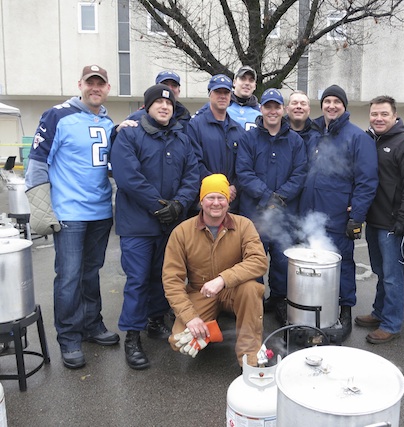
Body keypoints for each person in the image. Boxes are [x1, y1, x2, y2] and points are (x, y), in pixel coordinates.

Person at [24, 65, 120, 369]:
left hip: (100, 211)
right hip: (69, 212)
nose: (95, 88)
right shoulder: (57, 115)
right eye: (90, 83)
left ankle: (92, 325)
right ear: (80, 84)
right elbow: (37, 163)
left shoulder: (108, 122)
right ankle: (68, 337)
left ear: (107, 88)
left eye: (100, 84)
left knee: (91, 273)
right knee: (68, 276)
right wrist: (41, 209)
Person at [111, 84, 200, 370]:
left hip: (170, 222)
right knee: (137, 279)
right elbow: (128, 177)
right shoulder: (129, 135)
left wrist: (179, 204)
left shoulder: (181, 139)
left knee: (164, 276)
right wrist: (158, 205)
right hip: (138, 223)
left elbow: (192, 175)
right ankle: (132, 336)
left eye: (170, 104)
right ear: (147, 107)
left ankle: (155, 320)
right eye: (159, 103)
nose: (165, 107)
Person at [162, 174, 268, 367]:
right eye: (211, 197)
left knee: (251, 289)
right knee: (179, 340)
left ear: (228, 201)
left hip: (233, 289)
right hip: (200, 292)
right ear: (201, 201)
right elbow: (172, 280)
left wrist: (223, 279)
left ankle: (250, 360)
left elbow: (259, 261)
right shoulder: (182, 232)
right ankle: (210, 325)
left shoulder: (244, 225)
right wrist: (191, 317)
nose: (216, 203)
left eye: (221, 197)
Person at [299, 84, 378, 340]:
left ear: (344, 106)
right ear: (321, 105)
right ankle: (316, 306)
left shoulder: (358, 138)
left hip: (338, 216)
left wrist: (357, 218)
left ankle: (344, 309)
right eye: (327, 101)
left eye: (337, 101)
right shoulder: (313, 134)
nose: (331, 105)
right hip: (310, 215)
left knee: (342, 264)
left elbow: (367, 181)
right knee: (313, 264)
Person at [355, 96, 404, 344]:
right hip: (374, 220)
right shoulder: (371, 141)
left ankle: (392, 324)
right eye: (374, 114)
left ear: (394, 116)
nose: (378, 118)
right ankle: (379, 311)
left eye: (384, 114)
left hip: (394, 224)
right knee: (380, 271)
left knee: (393, 275)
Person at [236, 88, 308, 325]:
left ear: (283, 110)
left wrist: (280, 198)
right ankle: (254, 302)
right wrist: (268, 197)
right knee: (255, 260)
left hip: (284, 213)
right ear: (262, 109)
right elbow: (244, 173)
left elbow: (300, 173)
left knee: (281, 260)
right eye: (268, 106)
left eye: (277, 106)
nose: (273, 111)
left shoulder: (295, 141)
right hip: (255, 214)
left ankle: (278, 300)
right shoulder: (249, 138)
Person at [188, 74, 246, 215]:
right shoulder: (195, 125)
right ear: (210, 94)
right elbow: (194, 162)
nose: (222, 96)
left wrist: (234, 188)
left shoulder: (238, 130)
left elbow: (244, 165)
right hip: (205, 202)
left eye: (226, 92)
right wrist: (217, 189)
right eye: (217, 92)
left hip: (232, 202)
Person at [124, 70, 192, 133]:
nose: (169, 88)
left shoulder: (185, 117)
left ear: (179, 91)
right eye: (165, 84)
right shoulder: (136, 117)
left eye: (174, 85)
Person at [226, 66, 262, 130]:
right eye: (243, 79)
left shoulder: (262, 111)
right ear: (234, 82)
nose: (247, 83)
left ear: (255, 86)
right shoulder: (223, 106)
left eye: (251, 80)